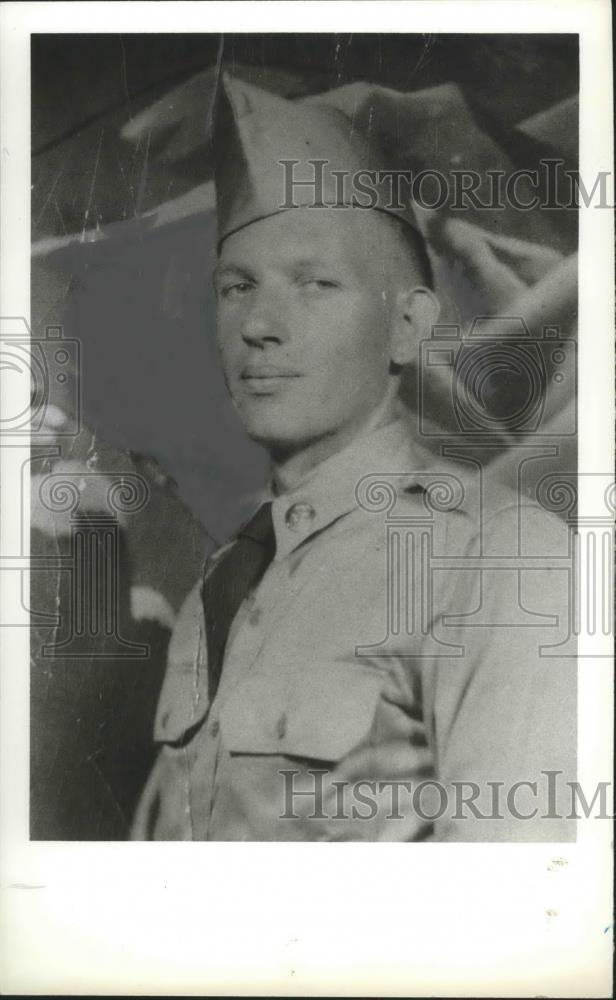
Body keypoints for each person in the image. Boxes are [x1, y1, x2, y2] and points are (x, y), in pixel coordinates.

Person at [131, 75, 576, 842]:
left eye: (315, 284)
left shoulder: (502, 560)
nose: (259, 325)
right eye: (237, 287)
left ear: (408, 330)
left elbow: (512, 919)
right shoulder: (228, 578)